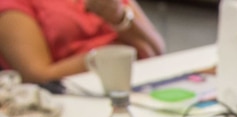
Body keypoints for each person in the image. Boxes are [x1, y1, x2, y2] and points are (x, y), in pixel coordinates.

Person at [0, 0, 164, 85]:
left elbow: (156, 50)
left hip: (133, 84)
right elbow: (38, 77)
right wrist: (106, 58)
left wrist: (119, 17)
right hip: (71, 101)